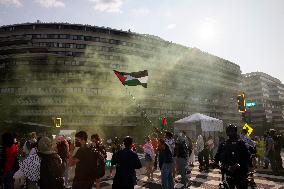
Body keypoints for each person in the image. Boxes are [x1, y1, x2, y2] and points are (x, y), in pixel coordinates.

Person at [218, 124, 250, 189]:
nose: (231, 133)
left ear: (235, 132)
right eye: (229, 131)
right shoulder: (224, 144)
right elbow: (218, 155)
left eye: (232, 131)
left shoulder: (241, 143)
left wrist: (239, 164)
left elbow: (247, 156)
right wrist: (214, 161)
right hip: (228, 171)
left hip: (240, 172)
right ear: (227, 133)